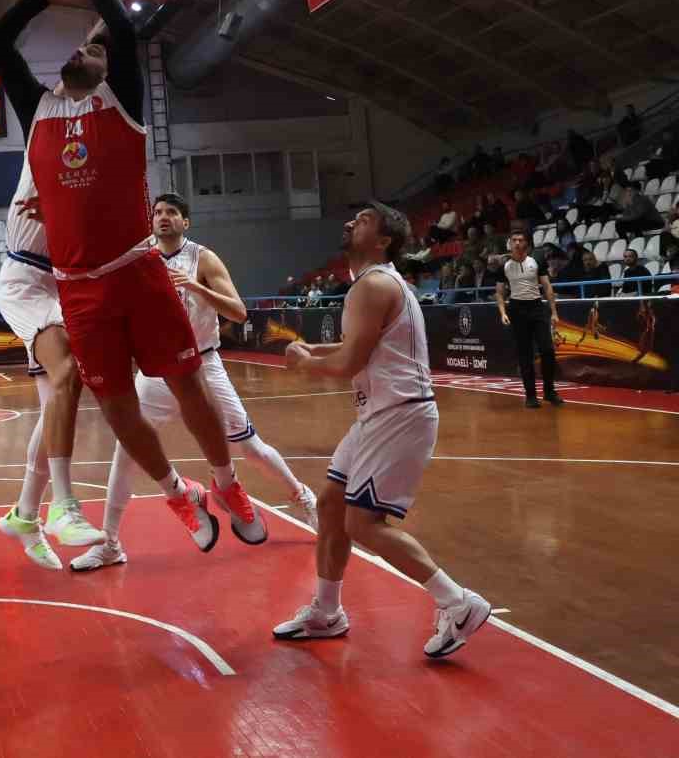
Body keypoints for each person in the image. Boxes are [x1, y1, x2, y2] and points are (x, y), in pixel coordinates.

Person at [0, 0, 261, 553]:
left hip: (136, 272)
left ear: (109, 67)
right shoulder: (40, 111)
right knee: (114, 407)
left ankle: (227, 482)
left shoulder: (123, 104)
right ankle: (175, 494)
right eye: (76, 49)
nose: (77, 52)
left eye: (92, 49)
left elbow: (124, 29)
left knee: (187, 385)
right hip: (78, 289)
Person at [278, 203, 490, 660]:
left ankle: (457, 602)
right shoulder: (374, 284)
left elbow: (349, 363)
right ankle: (327, 612)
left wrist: (307, 363)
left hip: (399, 413)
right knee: (332, 506)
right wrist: (316, 347)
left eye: (366, 220)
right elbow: (360, 344)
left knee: (363, 523)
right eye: (353, 217)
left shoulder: (373, 284)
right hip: (379, 413)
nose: (353, 221)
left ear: (384, 241)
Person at [73, 194, 319, 572]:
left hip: (203, 364)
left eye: (172, 212)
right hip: (156, 371)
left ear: (185, 222)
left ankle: (303, 499)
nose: (163, 217)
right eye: (157, 212)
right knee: (126, 452)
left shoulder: (203, 257)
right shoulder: (138, 262)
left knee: (250, 447)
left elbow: (238, 311)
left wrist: (196, 287)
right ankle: (110, 543)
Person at [497, 231, 564, 409]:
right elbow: (500, 292)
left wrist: (554, 312)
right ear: (510, 243)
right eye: (514, 240)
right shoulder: (503, 265)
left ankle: (549, 391)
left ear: (526, 243)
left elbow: (547, 287)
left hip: (536, 307)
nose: (517, 243)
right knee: (525, 354)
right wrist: (503, 311)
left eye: (521, 240)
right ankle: (531, 395)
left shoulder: (536, 261)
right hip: (516, 309)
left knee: (547, 350)